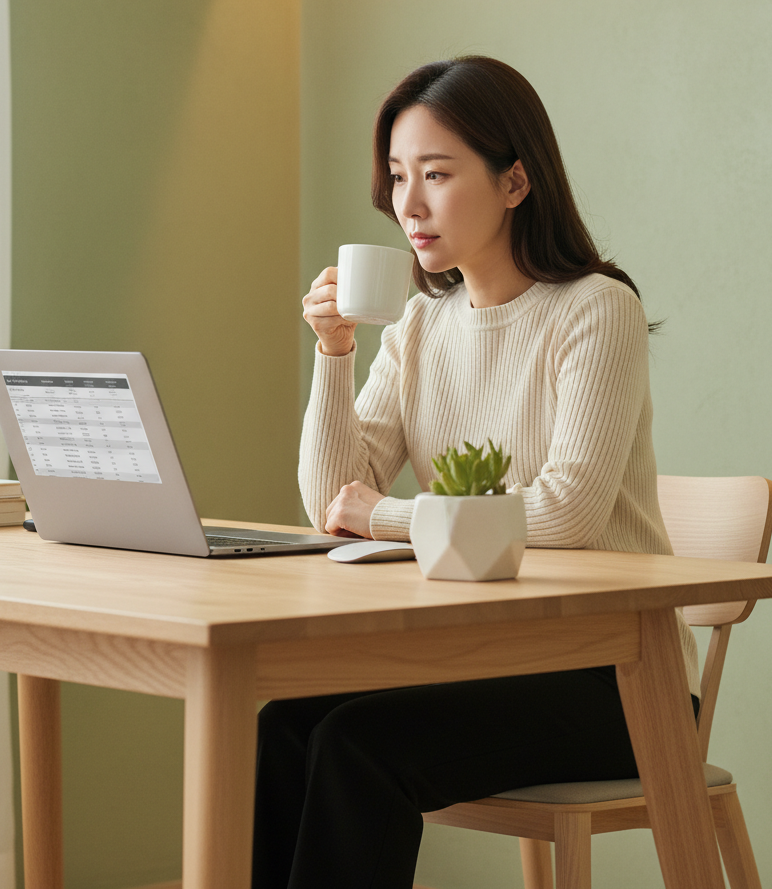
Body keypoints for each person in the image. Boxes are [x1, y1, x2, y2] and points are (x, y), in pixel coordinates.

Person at [252, 56, 699, 889]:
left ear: (515, 182)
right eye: (395, 177)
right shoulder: (422, 323)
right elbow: (327, 505)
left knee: (356, 748)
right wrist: (335, 352)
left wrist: (387, 515)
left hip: (620, 680)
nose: (406, 204)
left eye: (436, 174)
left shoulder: (598, 309)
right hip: (498, 661)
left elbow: (566, 513)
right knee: (284, 727)